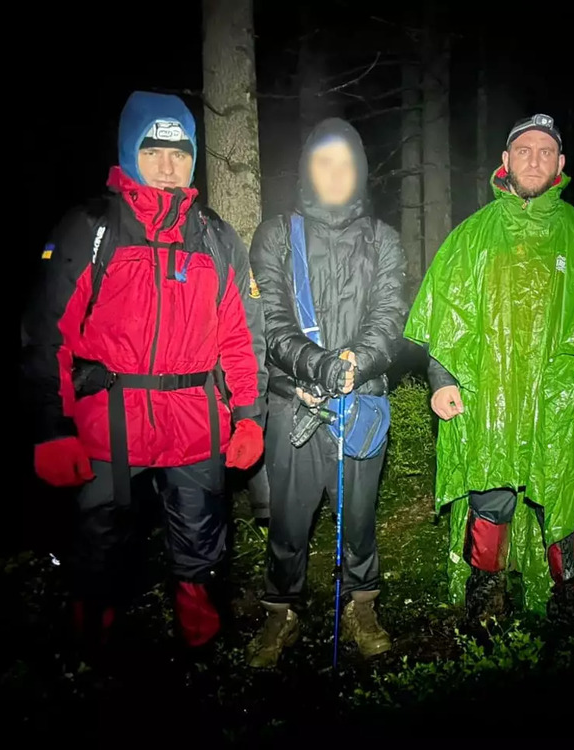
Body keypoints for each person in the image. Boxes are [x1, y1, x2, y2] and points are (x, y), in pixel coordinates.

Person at [21, 91, 267, 652]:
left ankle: (202, 652)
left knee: (202, 544)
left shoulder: (216, 236)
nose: (167, 166)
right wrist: (52, 429)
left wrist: (250, 416)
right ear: (129, 153)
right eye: (152, 151)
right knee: (98, 544)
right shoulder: (91, 227)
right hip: (109, 419)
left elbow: (241, 337)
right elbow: (47, 335)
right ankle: (92, 654)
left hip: (195, 420)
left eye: (179, 154)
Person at [404, 114, 574, 620]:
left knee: (562, 496)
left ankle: (570, 598)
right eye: (524, 150)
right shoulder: (473, 236)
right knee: (490, 495)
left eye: (545, 151)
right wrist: (442, 381)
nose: (534, 160)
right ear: (505, 161)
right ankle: (486, 595)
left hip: (560, 396)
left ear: (560, 163)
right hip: (489, 394)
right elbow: (446, 317)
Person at [246, 118, 407, 666]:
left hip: (362, 401)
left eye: (346, 163)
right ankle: (280, 611)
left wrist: (357, 363)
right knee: (288, 520)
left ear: (359, 171)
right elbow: (271, 321)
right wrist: (317, 370)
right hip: (295, 402)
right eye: (323, 162)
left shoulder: (383, 239)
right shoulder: (275, 235)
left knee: (359, 517)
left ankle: (362, 606)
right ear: (307, 170)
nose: (335, 173)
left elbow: (390, 316)